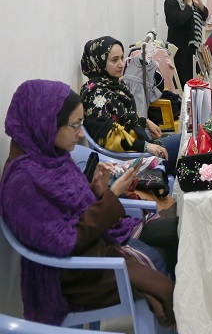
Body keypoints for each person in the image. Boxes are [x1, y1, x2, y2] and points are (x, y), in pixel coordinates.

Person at [0, 79, 176, 328]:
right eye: (75, 125)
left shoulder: (52, 158)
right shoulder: (23, 183)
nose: (81, 134)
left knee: (179, 234)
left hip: (98, 243)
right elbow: (66, 241)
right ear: (45, 124)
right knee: (161, 261)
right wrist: (112, 197)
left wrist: (97, 191)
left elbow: (70, 211)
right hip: (72, 277)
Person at [80, 37, 181, 174]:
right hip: (129, 157)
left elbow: (123, 117)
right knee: (185, 142)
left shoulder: (114, 86)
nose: (121, 64)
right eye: (114, 60)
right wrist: (146, 146)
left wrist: (145, 122)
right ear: (98, 62)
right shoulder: (96, 97)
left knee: (183, 165)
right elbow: (112, 141)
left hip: (137, 147)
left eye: (122, 58)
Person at [164, 0, 208, 86]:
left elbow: (204, 16)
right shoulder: (171, 1)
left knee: (193, 83)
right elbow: (179, 20)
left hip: (191, 51)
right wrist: (188, 5)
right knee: (181, 84)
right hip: (179, 51)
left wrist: (199, 4)